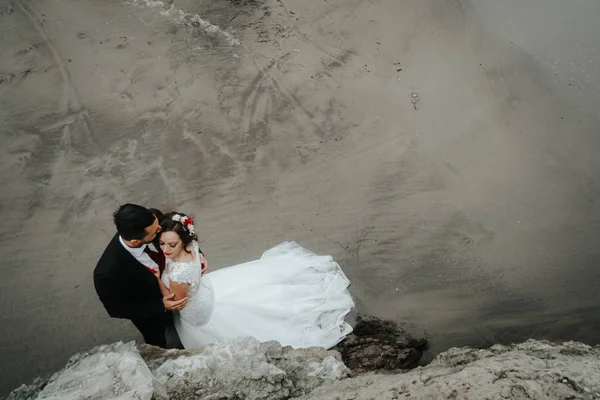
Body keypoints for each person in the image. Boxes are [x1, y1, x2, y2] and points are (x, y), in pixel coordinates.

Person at [155, 211, 354, 349]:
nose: (165, 249)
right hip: (207, 292)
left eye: (172, 244)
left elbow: (178, 303)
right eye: (162, 243)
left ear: (184, 241)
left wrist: (157, 279)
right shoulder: (191, 246)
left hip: (197, 312)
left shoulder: (178, 274)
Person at [93, 204, 188, 348]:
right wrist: (160, 306)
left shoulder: (152, 219)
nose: (160, 229)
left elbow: (180, 235)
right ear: (136, 242)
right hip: (150, 314)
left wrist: (196, 253)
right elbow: (115, 309)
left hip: (174, 286)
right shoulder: (107, 273)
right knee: (157, 342)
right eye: (155, 232)